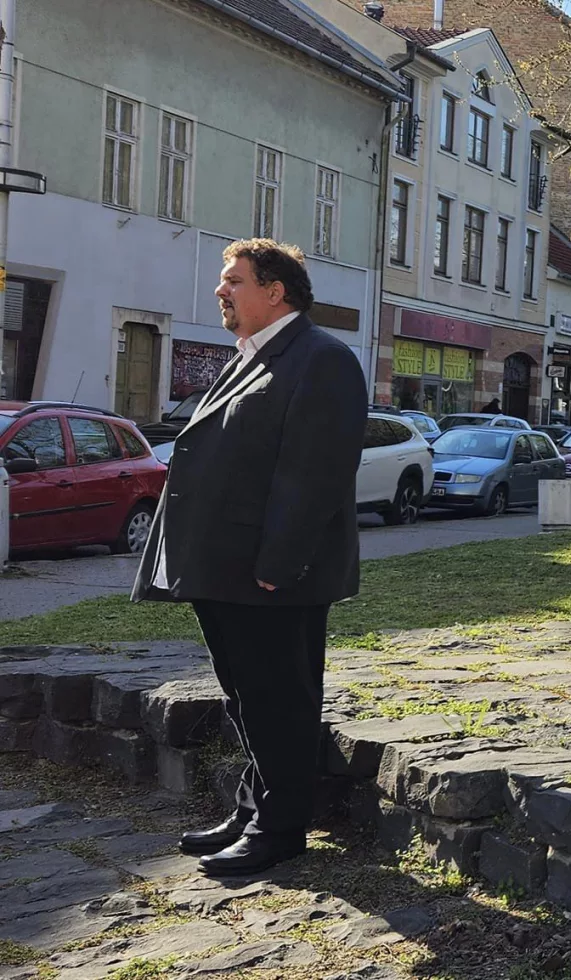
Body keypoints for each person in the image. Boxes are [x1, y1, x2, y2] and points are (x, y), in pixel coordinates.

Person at [132, 239, 366, 876]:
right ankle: (254, 806)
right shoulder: (251, 357)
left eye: (233, 279)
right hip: (224, 565)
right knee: (245, 698)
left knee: (278, 698)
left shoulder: (322, 359)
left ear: (275, 291)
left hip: (269, 571)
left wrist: (278, 561)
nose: (221, 290)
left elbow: (314, 474)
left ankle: (282, 827)